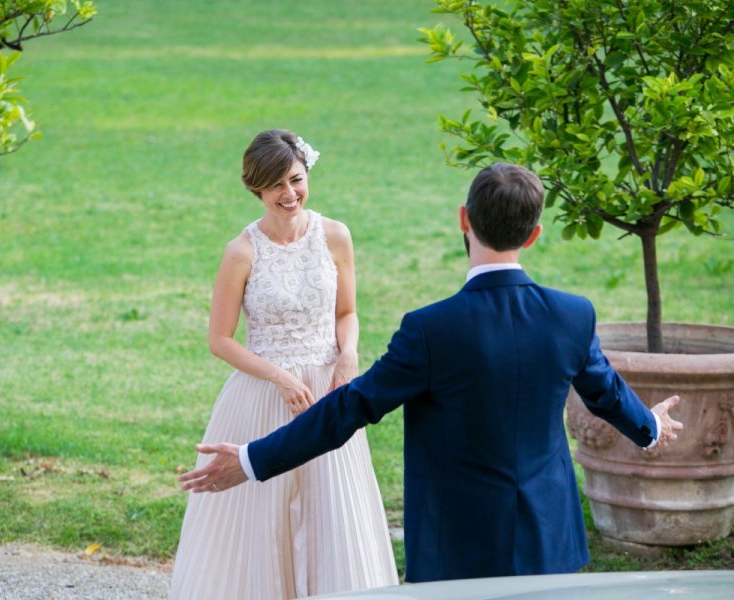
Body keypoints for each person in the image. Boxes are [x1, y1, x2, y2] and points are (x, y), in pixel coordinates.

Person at [178, 162, 684, 584]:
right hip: (548, 537)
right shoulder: (573, 315)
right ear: (534, 234)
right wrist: (651, 427)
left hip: (453, 547)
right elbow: (605, 392)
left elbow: (348, 408)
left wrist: (250, 460)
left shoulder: (430, 329)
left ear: (463, 219)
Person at [169, 130, 398, 599]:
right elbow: (220, 339)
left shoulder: (335, 235)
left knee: (332, 510)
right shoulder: (241, 252)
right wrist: (280, 376)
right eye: (275, 186)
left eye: (295, 180)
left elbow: (346, 312)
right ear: (256, 188)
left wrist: (348, 355)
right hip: (264, 393)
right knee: (262, 514)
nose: (289, 194)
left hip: (328, 393)